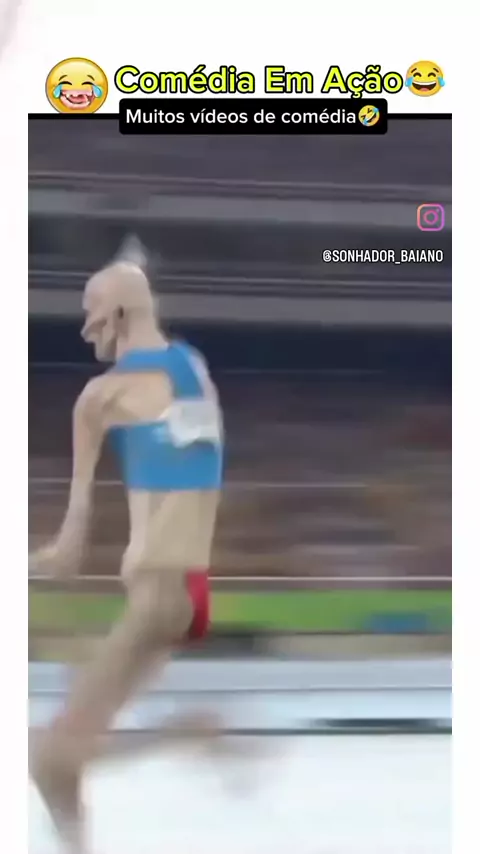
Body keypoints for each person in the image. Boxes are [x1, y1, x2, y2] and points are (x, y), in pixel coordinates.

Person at [29, 238, 225, 854]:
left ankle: (189, 733)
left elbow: (68, 550)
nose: (86, 329)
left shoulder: (100, 398)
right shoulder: (193, 367)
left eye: (91, 313)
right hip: (185, 589)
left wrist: (34, 564)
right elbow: (195, 459)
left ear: (116, 314)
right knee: (65, 752)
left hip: (159, 590)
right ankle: (190, 731)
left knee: (50, 761)